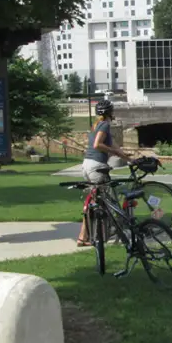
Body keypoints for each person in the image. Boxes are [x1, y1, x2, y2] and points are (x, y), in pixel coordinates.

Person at [76, 99, 131, 246]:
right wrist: (112, 151)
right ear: (110, 113)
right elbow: (98, 145)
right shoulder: (105, 125)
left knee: (94, 201)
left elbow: (115, 147)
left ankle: (83, 237)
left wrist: (130, 159)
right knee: (103, 204)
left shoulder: (97, 125)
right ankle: (97, 236)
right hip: (97, 167)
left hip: (87, 165)